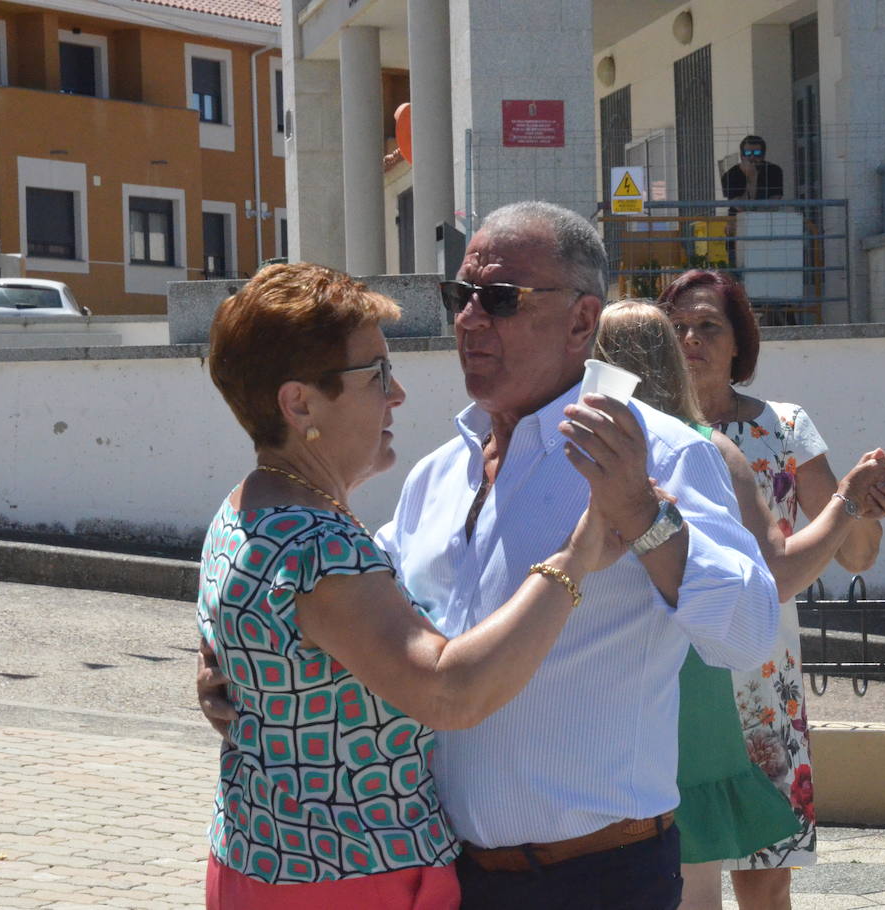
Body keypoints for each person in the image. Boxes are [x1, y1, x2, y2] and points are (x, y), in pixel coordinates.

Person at [203, 203, 780, 909]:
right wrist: (239, 659)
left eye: (500, 300)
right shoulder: (437, 475)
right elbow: (351, 604)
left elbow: (749, 631)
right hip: (452, 874)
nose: (469, 320)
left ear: (580, 320)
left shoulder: (656, 453)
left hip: (598, 876)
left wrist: (643, 518)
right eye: (461, 296)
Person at [196, 263, 640, 908]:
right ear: (299, 404)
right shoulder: (316, 544)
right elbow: (450, 693)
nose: (396, 393)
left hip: (269, 859)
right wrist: (576, 556)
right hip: (350, 879)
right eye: (375, 373)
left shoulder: (245, 509)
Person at [656, 269, 885, 910]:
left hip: (765, 681)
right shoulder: (649, 433)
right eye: (678, 327)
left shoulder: (784, 427)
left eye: (708, 326)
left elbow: (854, 554)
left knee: (767, 874)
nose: (691, 339)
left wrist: (861, 505)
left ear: (739, 341)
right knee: (678, 874)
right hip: (671, 675)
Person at [592, 301, 799, 910]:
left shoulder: (593, 445)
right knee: (696, 863)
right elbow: (762, 571)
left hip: (637, 665)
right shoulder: (708, 446)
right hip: (699, 657)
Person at [721, 135, 784, 202]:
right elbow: (740, 207)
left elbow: (774, 203)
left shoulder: (774, 171)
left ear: (763, 155)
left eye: (757, 153)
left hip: (766, 212)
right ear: (741, 155)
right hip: (738, 212)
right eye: (748, 153)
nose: (752, 157)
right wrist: (752, 178)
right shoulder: (729, 175)